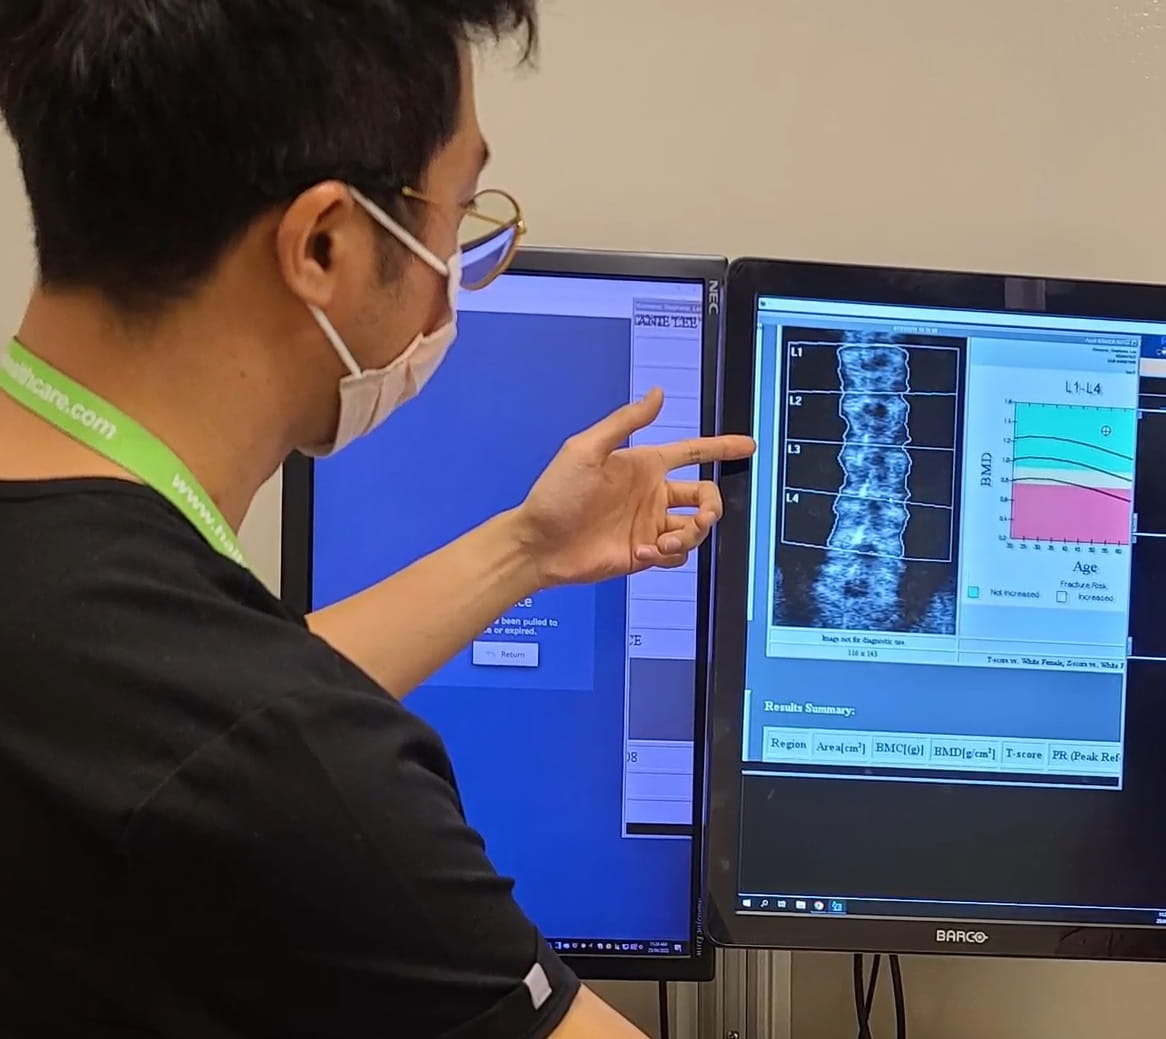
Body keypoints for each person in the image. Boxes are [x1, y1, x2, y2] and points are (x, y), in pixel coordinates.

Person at [0, 3, 752, 1037]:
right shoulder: (281, 770)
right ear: (324, 244)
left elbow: (187, 705)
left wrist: (525, 546)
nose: (457, 270)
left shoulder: (110, 650)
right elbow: (244, 733)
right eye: (457, 210)